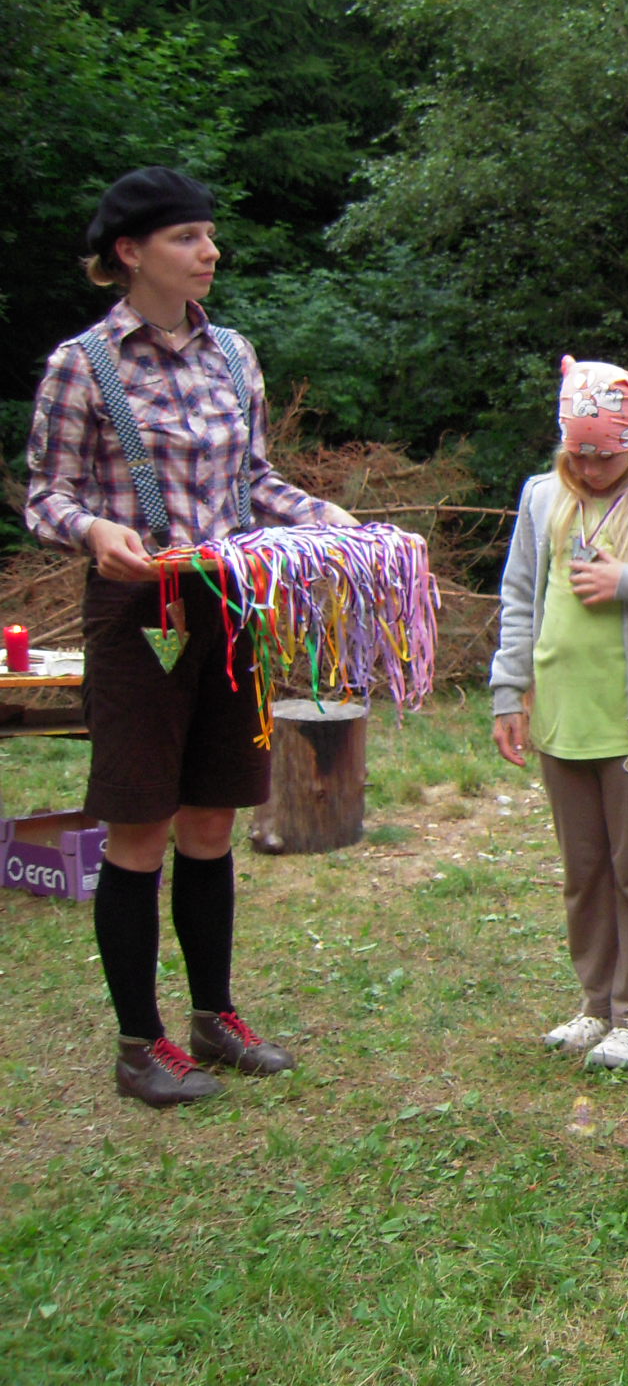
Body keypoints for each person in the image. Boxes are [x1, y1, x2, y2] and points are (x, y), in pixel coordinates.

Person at [24, 166, 355, 1106]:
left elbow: (255, 481)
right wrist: (96, 530)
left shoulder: (234, 354)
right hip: (138, 615)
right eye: (187, 237)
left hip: (232, 604)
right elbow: (45, 495)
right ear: (130, 252)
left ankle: (214, 1017)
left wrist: (324, 517)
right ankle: (140, 1044)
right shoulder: (83, 363)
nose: (210, 251)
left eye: (209, 234)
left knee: (212, 818)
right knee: (140, 824)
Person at [489, 358, 628, 1070]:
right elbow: (519, 594)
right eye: (577, 454)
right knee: (583, 871)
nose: (589, 468)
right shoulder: (541, 497)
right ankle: (598, 1004)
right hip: (561, 715)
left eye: (604, 456)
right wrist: (509, 690)